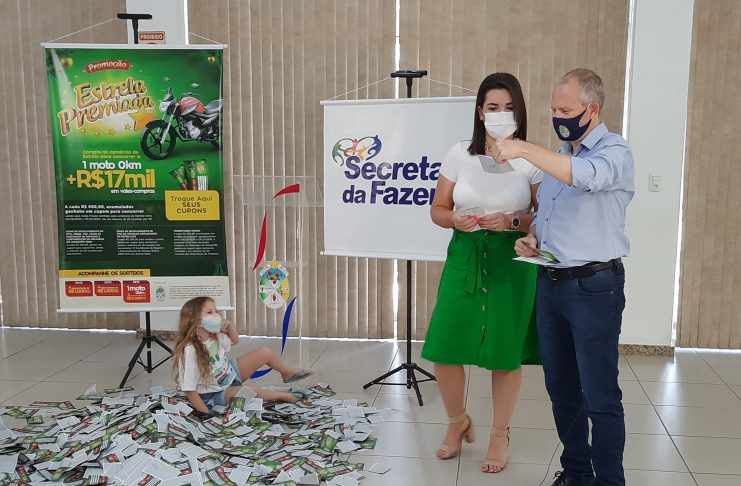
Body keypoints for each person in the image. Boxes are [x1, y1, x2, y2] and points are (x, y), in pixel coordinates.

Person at [492, 68, 634, 486]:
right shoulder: (560, 155)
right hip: (551, 284)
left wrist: (522, 147)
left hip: (594, 289)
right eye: (554, 109)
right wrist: (530, 235)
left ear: (593, 109)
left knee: (599, 395)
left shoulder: (614, 152)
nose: (558, 117)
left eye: (566, 110)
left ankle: (609, 482)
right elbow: (547, 216)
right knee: (562, 390)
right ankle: (576, 474)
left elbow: (585, 177)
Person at [421, 72, 542, 474]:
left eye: (509, 107)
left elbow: (545, 216)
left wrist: (511, 222)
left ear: (520, 113)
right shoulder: (460, 153)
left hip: (512, 260)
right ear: (480, 112)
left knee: (505, 353)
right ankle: (457, 421)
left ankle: (499, 435)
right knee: (445, 346)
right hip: (466, 255)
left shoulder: (531, 158)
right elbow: (438, 210)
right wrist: (455, 219)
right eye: (493, 107)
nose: (501, 114)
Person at [172, 296, 313, 412]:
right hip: (214, 394)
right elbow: (189, 390)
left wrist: (229, 325)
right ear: (194, 320)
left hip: (231, 375)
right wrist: (205, 413)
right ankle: (281, 396)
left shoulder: (214, 336)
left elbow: (235, 340)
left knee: (265, 352)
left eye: (216, 311)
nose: (216, 315)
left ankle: (286, 373)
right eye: (210, 312)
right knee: (248, 391)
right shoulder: (190, 350)